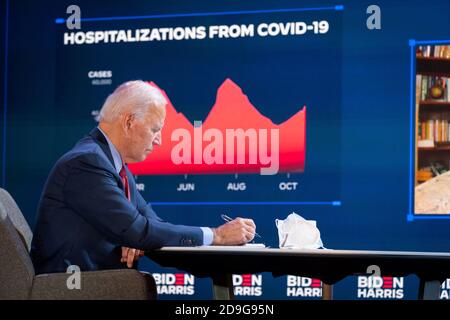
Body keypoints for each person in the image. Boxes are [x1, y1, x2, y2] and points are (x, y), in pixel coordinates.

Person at [30, 80, 256, 274]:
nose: (158, 141)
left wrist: (136, 238)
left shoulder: (112, 164)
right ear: (129, 122)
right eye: (154, 130)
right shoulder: (87, 163)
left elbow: (149, 224)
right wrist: (217, 236)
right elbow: (139, 230)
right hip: (69, 287)